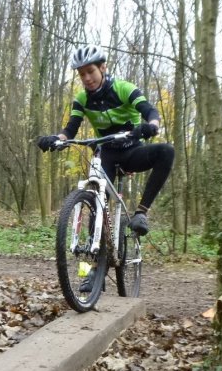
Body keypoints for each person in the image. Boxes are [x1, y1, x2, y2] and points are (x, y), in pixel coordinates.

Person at [37, 44, 175, 238]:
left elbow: (150, 111)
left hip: (132, 151)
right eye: (82, 74)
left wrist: (151, 125)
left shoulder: (124, 89)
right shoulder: (82, 99)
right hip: (106, 154)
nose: (87, 78)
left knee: (167, 151)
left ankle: (141, 213)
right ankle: (96, 260)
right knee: (97, 202)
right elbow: (70, 130)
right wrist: (55, 139)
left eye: (90, 71)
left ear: (102, 67)